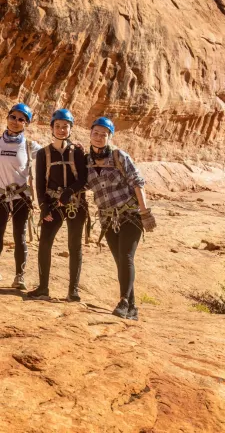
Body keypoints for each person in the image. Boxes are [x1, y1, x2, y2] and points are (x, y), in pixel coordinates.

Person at [85, 117, 156, 320]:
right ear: (90, 134)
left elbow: (137, 182)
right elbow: (84, 185)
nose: (99, 137)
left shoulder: (119, 157)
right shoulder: (86, 161)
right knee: (120, 261)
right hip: (108, 219)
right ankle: (132, 307)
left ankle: (123, 301)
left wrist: (145, 213)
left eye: (103, 134)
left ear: (110, 136)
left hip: (130, 215)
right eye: (95, 133)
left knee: (126, 256)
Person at [27, 109, 88, 301]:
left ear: (71, 128)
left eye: (65, 126)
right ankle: (43, 288)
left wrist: (70, 191)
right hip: (53, 204)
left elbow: (84, 178)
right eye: (58, 126)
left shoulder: (78, 151)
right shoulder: (43, 153)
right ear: (52, 128)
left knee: (74, 246)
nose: (62, 130)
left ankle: (73, 290)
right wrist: (43, 207)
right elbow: (39, 184)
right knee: (45, 243)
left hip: (75, 205)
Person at [0, 104, 41, 290]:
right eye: (13, 117)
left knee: (19, 236)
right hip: (1, 196)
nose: (16, 122)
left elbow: (53, 156)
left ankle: (19, 276)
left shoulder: (30, 146)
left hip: (21, 197)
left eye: (21, 119)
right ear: (7, 117)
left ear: (26, 124)